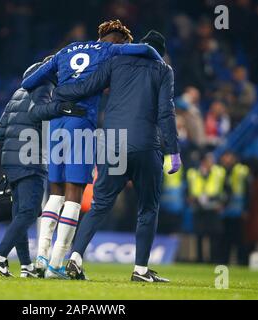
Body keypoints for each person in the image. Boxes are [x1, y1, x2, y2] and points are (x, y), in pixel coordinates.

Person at [21, 20, 163, 279]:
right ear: (120, 40)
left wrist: (60, 86)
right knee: (74, 194)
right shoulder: (112, 50)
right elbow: (146, 51)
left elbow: (29, 81)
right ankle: (55, 264)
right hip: (81, 123)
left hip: (56, 121)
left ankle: (39, 260)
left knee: (55, 192)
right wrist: (155, 55)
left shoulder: (66, 50)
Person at [53, 30, 180, 282]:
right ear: (160, 53)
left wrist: (60, 94)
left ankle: (75, 258)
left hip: (112, 143)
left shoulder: (116, 61)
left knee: (100, 205)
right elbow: (166, 112)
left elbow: (87, 86)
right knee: (148, 207)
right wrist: (173, 150)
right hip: (145, 144)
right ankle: (140, 270)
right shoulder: (163, 70)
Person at [0, 57, 87, 277]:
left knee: (20, 213)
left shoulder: (19, 92)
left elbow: (0, 132)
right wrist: (63, 109)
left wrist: (10, 153)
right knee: (30, 211)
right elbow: (37, 112)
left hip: (11, 160)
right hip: (30, 159)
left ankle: (26, 266)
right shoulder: (44, 87)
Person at [186, 153, 226, 263]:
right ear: (203, 162)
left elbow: (226, 189)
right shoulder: (193, 173)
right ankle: (200, 259)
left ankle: (213, 259)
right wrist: (189, 199)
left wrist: (223, 203)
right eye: (209, 161)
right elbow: (187, 189)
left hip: (213, 208)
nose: (211, 163)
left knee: (214, 235)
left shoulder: (219, 172)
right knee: (199, 235)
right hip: (198, 208)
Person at [220, 151, 250, 265]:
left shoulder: (241, 170)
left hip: (238, 210)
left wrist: (245, 209)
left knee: (239, 238)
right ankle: (224, 261)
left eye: (228, 156)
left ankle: (242, 261)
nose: (226, 159)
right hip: (225, 211)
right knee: (225, 238)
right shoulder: (221, 171)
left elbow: (248, 191)